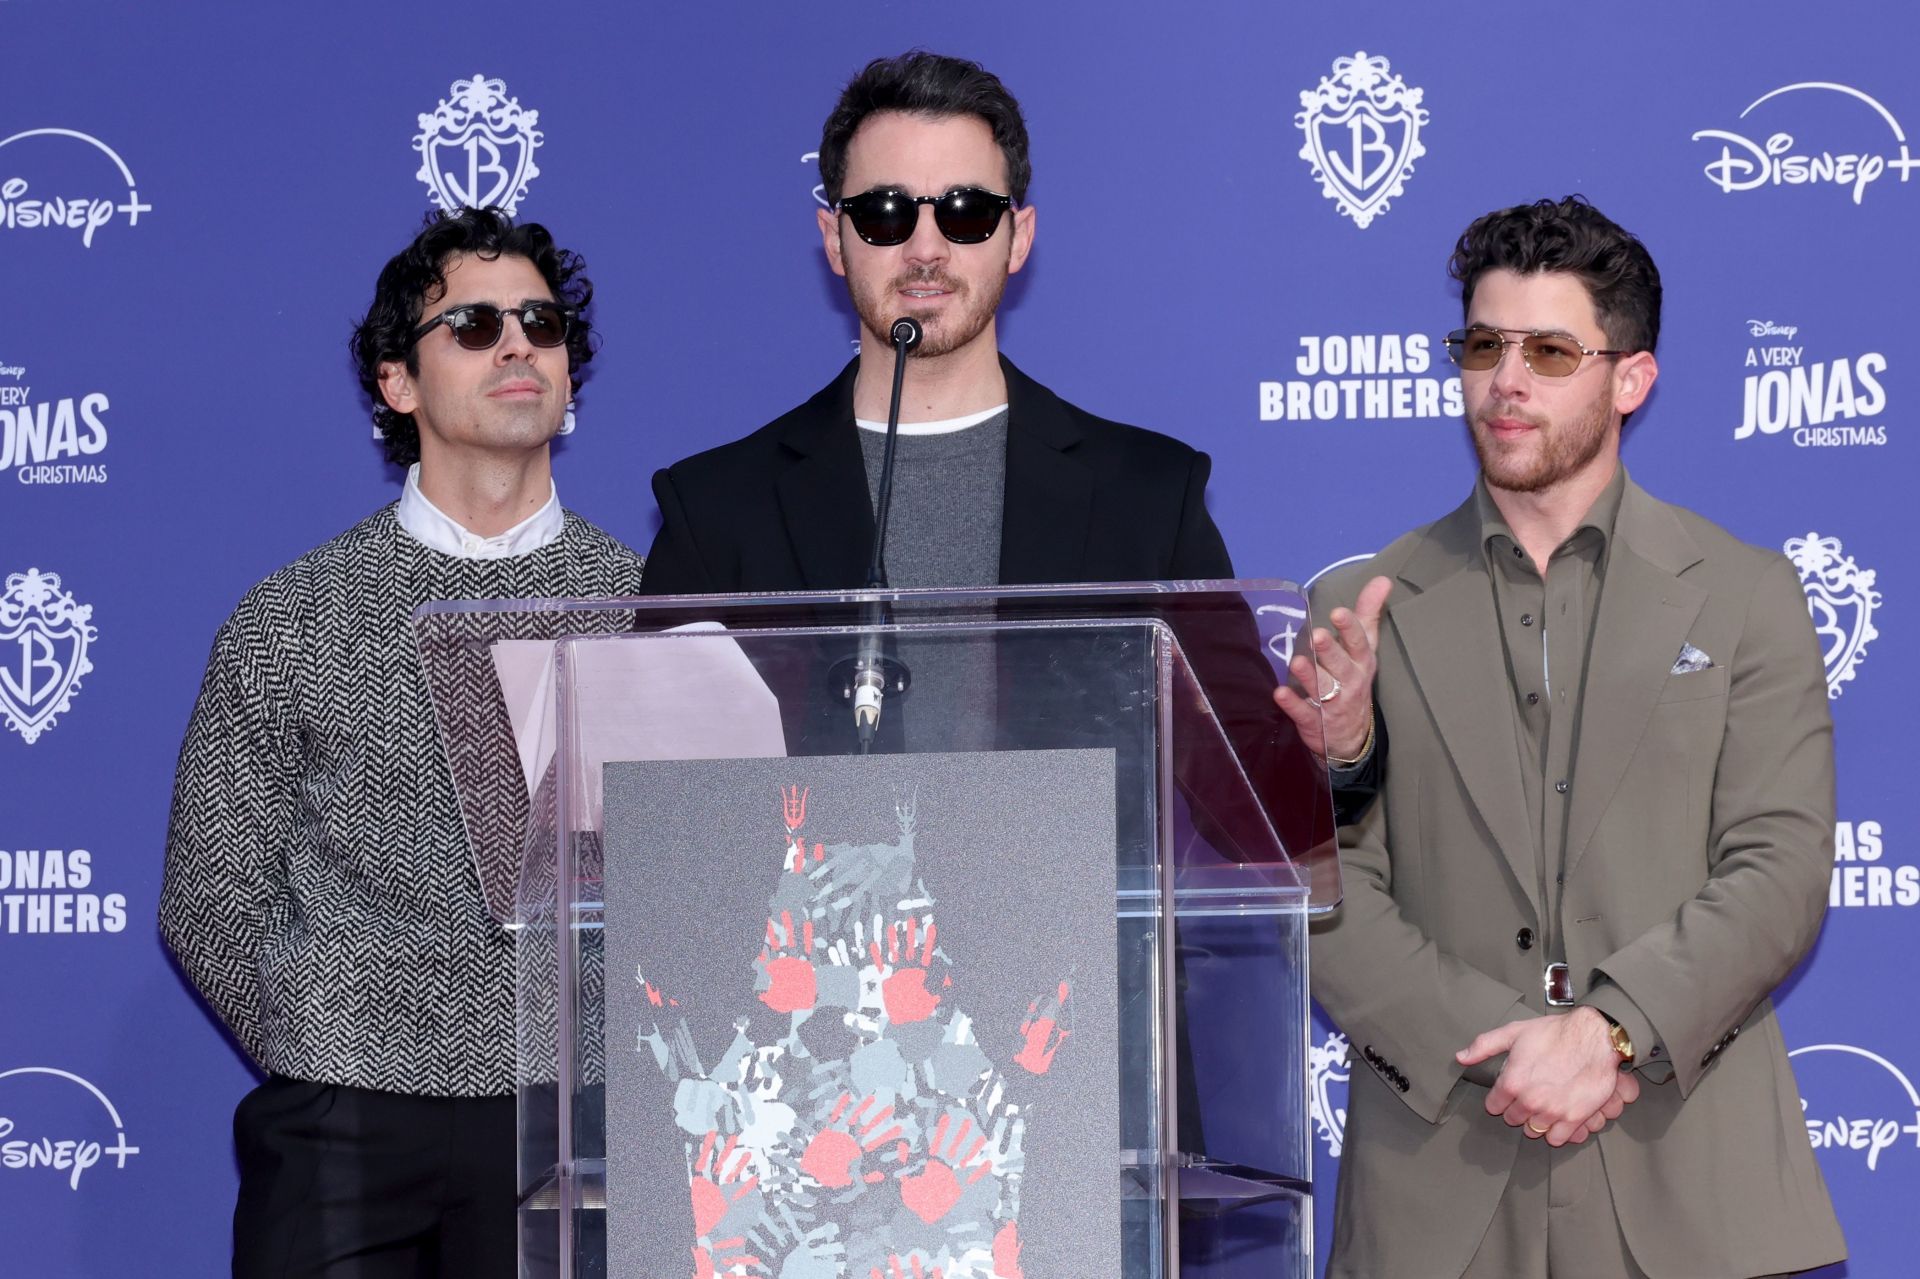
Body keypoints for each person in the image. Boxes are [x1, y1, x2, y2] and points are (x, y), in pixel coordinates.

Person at [1309, 195, 1844, 1278]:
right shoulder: (1358, 604)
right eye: (1482, 345)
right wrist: (1507, 1048)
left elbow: (1780, 868)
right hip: (1437, 1195)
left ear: (1630, 378)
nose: (1506, 382)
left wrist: (1605, 1033)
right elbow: (1321, 888)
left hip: (1697, 1191)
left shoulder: (1744, 594)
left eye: (1551, 351)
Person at [639, 49, 1380, 781]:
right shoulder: (716, 512)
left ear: (1018, 236)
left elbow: (1245, 794)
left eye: (966, 212)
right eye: (885, 214)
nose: (925, 249)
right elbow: (660, 817)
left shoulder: (1149, 499)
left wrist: (1335, 746)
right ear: (835, 239)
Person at [159, 208, 646, 1278]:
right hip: (343, 1126)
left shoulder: (652, 609)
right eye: (473, 325)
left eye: (541, 322)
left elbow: (708, 877)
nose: (519, 344)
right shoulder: (289, 617)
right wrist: (339, 1039)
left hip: (589, 1124)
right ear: (398, 383)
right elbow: (208, 897)